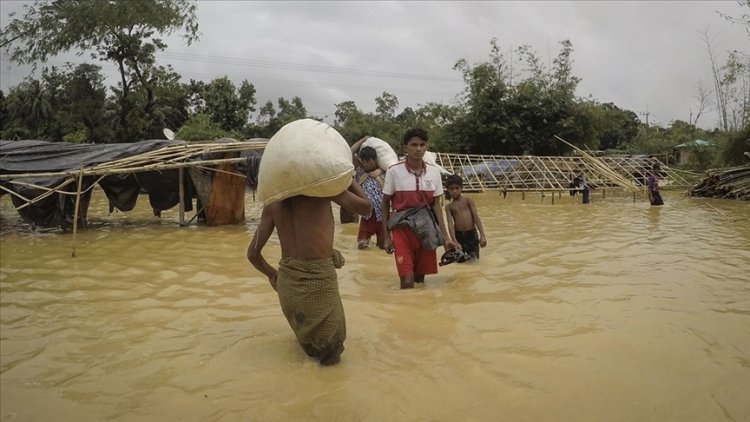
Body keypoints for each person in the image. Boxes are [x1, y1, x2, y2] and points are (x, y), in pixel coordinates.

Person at [246, 179, 372, 366]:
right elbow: (366, 208)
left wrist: (272, 275)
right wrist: (348, 178)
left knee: (309, 352)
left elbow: (253, 254)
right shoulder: (325, 192)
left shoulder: (273, 205)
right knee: (331, 353)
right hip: (319, 284)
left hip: (288, 288)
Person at [381, 128, 458, 289]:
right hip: (402, 230)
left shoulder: (434, 172)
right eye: (414, 145)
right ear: (405, 148)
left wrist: (445, 238)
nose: (418, 149)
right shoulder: (394, 171)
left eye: (422, 145)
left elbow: (437, 206)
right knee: (407, 281)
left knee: (419, 280)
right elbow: (385, 204)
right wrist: (386, 236)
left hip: (426, 229)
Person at [350, 137, 386, 249]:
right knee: (362, 246)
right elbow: (350, 152)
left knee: (383, 247)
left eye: (368, 161)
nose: (365, 164)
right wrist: (363, 140)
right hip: (367, 217)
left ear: (375, 159)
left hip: (383, 217)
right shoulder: (361, 173)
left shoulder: (385, 173)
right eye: (363, 161)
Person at [444, 175, 487, 260]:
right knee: (460, 259)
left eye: (457, 188)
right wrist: (454, 241)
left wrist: (482, 235)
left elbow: (476, 218)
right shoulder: (449, 207)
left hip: (472, 234)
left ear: (461, 188)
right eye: (451, 189)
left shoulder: (468, 201)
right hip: (459, 235)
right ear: (448, 190)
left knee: (474, 259)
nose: (454, 191)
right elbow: (450, 224)